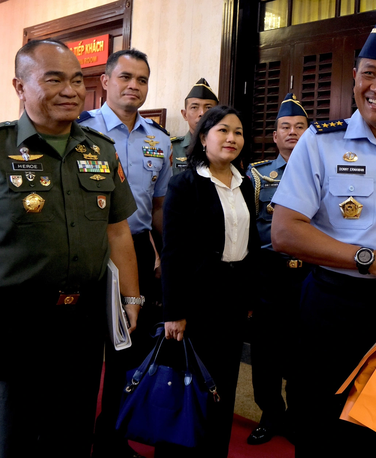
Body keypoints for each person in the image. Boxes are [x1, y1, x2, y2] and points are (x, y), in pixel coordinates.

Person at [270, 13, 376, 458]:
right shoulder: (320, 142)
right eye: (369, 74)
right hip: (332, 309)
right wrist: (371, 258)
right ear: (354, 78)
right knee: (318, 433)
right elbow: (285, 231)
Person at [0, 39, 139, 458]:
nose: (70, 91)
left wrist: (131, 296)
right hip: (15, 318)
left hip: (82, 317)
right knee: (15, 432)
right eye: (54, 79)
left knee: (74, 428)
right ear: (20, 87)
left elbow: (117, 231)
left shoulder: (100, 149)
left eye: (77, 80)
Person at [78, 48, 172, 458]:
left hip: (133, 250)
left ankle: (111, 437)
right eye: (126, 77)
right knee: (80, 351)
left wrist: (165, 255)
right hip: (84, 248)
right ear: (105, 82)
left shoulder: (160, 140)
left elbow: (158, 210)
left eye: (143, 79)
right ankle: (74, 438)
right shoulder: (81, 129)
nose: (134, 86)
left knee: (126, 352)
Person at [161, 106, 260, 457]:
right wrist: (173, 311)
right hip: (196, 301)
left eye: (238, 132)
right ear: (203, 138)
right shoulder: (185, 183)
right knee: (190, 386)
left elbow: (250, 244)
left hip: (232, 300)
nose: (232, 138)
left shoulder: (245, 183)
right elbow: (172, 252)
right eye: (223, 131)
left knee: (223, 385)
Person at [245, 92, 309, 445]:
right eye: (285, 127)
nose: (292, 133)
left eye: (300, 127)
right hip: (269, 274)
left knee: (304, 352)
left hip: (311, 275)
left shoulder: (323, 173)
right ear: (274, 135)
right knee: (266, 353)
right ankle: (271, 414)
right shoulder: (257, 175)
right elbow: (248, 230)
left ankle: (299, 418)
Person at [171, 78, 219, 176]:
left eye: (208, 107)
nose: (202, 113)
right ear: (184, 114)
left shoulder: (225, 147)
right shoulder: (172, 148)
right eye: (194, 107)